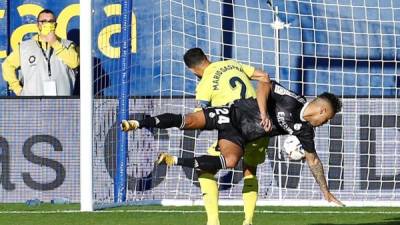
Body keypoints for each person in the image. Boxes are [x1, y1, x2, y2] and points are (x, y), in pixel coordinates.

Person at [121, 80, 344, 207]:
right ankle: (138, 123)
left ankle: (173, 160)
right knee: (187, 120)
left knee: (230, 161)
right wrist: (265, 112)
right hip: (232, 114)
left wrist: (325, 192)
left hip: (239, 136)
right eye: (328, 118)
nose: (325, 123)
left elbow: (313, 161)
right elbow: (265, 84)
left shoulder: (305, 132)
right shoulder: (292, 100)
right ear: (323, 110)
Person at [181, 48, 270, 225]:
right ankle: (248, 220)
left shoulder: (204, 85)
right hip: (260, 125)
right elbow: (264, 77)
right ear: (208, 57)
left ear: (191, 70)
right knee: (250, 168)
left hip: (237, 130)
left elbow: (203, 117)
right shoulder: (231, 64)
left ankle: (213, 222)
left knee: (204, 168)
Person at [2, 9, 79, 96]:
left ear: (55, 25)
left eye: (51, 21)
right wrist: (17, 89)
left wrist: (55, 43)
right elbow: (7, 65)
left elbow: (74, 63)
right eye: (43, 21)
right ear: (38, 25)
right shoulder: (25, 47)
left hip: (62, 103)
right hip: (33, 104)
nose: (47, 24)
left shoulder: (67, 45)